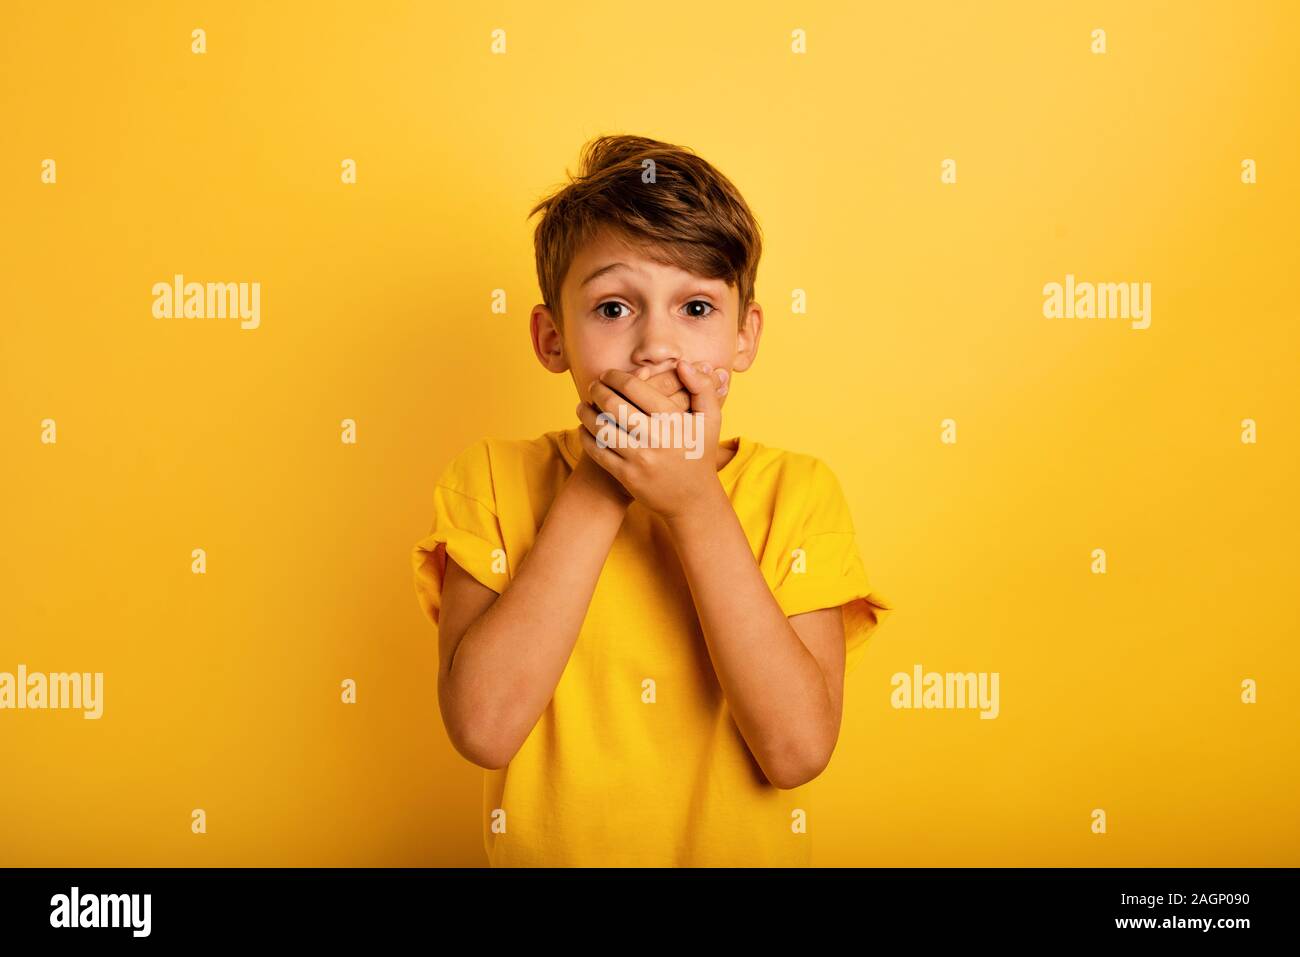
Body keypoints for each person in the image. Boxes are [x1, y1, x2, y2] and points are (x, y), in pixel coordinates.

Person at [411, 134, 892, 866]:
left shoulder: (799, 493)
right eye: (612, 308)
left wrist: (696, 503)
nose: (655, 346)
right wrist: (606, 478)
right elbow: (482, 728)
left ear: (744, 335)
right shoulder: (490, 480)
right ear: (552, 339)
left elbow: (795, 750)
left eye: (696, 305)